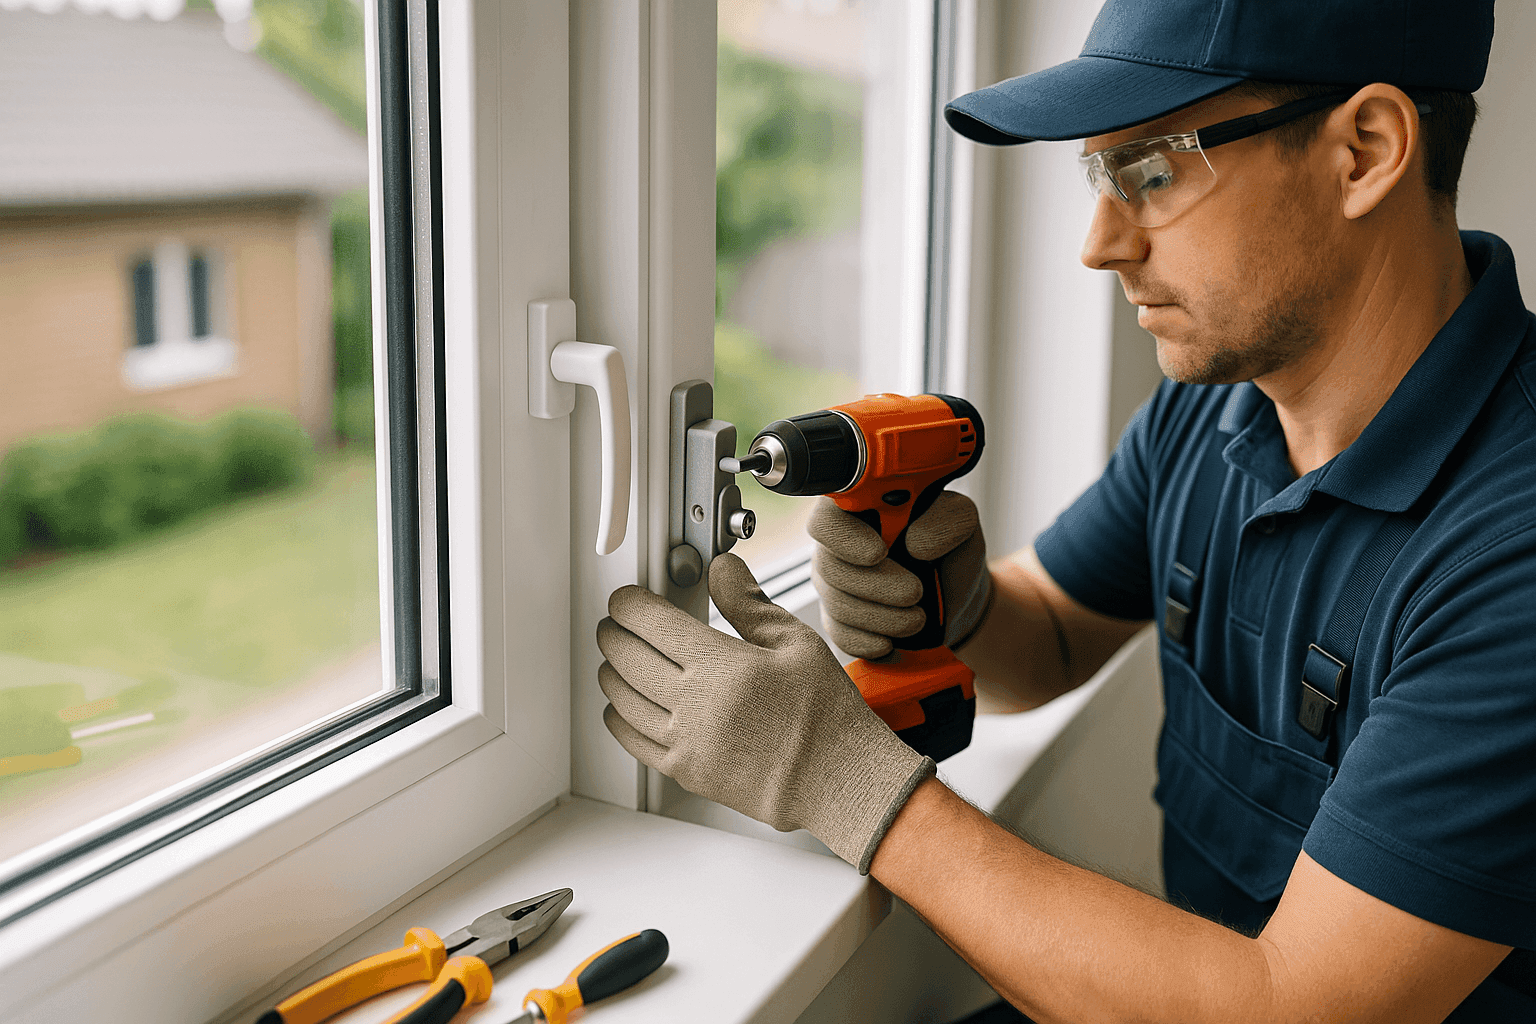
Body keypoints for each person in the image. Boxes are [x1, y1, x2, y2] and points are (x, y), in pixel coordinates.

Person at [595, 1, 1536, 1019]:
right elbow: (1047, 638)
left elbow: (1293, 1007)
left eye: (1153, 172)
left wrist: (836, 775)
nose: (1100, 244)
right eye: (1101, 176)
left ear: (1365, 151)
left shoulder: (1511, 551)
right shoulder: (1219, 402)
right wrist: (956, 608)